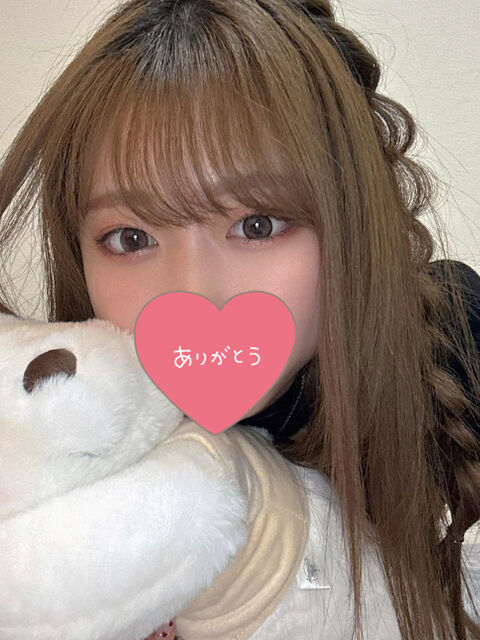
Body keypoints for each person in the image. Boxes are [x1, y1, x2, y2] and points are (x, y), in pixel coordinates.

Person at [0, 1, 479, 638]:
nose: (193, 296)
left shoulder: (454, 337)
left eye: (256, 225)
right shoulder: (61, 432)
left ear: (352, 220)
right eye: (131, 238)